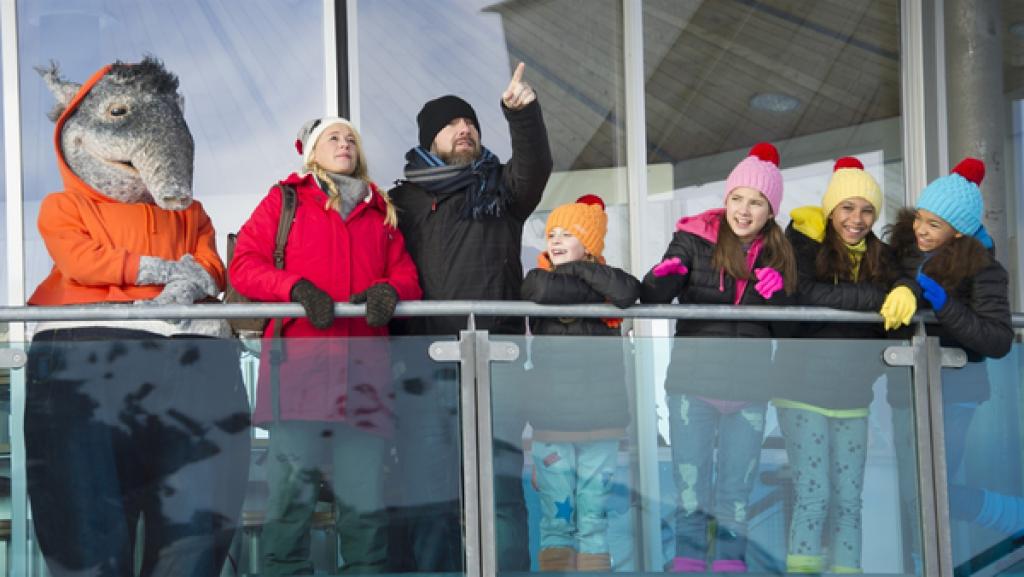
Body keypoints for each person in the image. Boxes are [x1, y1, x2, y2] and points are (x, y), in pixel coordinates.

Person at [26, 58, 250, 577]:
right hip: (86, 356)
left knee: (196, 528)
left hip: (192, 360)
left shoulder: (189, 214)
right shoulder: (62, 207)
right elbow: (81, 261)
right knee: (87, 526)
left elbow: (210, 261)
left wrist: (193, 278)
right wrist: (156, 269)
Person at [229, 116, 421, 575]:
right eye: (333, 137)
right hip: (298, 378)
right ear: (312, 152)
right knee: (289, 510)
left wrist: (389, 292)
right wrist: (295, 288)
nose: (344, 143)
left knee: (366, 513)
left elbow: (409, 277)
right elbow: (243, 265)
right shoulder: (285, 200)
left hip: (365, 383)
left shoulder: (381, 213)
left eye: (351, 137)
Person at [388, 62, 553, 571]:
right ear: (428, 138)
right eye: (451, 124)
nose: (465, 129)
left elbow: (535, 167)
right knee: (432, 497)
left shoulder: (501, 189)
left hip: (495, 364)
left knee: (501, 493)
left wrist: (521, 115)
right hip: (424, 366)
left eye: (471, 123)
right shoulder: (402, 201)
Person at [641, 142, 797, 573]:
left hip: (748, 390)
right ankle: (688, 561)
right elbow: (651, 295)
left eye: (757, 203)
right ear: (726, 199)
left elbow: (792, 330)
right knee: (690, 490)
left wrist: (781, 298)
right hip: (693, 386)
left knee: (735, 492)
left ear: (771, 211)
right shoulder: (692, 239)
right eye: (738, 199)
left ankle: (731, 564)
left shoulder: (781, 254)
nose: (744, 211)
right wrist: (662, 277)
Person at [880, 158, 1017, 564]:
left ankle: (1009, 515)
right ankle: (924, 562)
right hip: (906, 387)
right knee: (912, 487)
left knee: (934, 488)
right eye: (920, 218)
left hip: (955, 391)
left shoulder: (985, 268)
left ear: (958, 231)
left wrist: (944, 305)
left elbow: (997, 340)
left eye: (934, 224)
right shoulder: (906, 249)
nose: (922, 229)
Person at [774, 157, 898, 573]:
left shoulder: (884, 257)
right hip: (801, 391)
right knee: (814, 496)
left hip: (853, 396)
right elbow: (805, 295)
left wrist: (896, 299)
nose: (857, 219)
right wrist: (874, 300)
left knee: (849, 500)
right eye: (847, 207)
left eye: (866, 210)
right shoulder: (805, 245)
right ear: (831, 210)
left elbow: (892, 321)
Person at [520, 195, 641, 572]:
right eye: (551, 234)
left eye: (567, 235)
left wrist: (580, 270)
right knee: (556, 517)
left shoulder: (611, 281)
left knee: (594, 515)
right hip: (553, 422)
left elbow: (628, 292)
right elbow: (542, 291)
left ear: (588, 246)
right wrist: (590, 284)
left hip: (601, 421)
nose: (554, 241)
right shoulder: (539, 277)